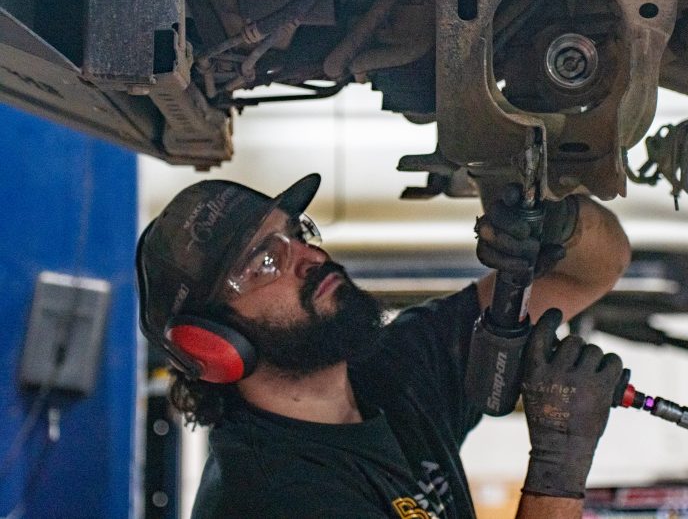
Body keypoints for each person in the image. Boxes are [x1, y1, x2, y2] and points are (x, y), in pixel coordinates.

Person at [135, 173, 631, 518]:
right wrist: (557, 467)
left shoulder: (392, 371)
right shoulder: (268, 499)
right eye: (265, 261)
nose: (311, 256)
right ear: (216, 343)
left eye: (296, 233)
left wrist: (555, 225)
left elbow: (592, 268)